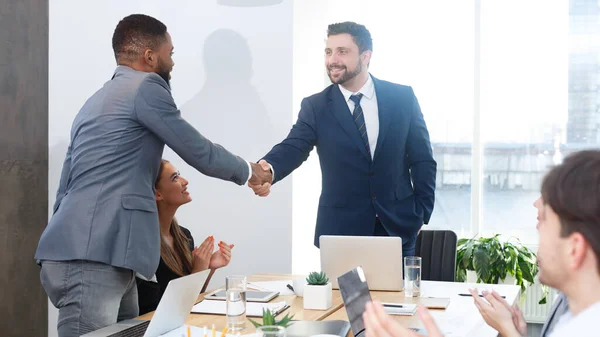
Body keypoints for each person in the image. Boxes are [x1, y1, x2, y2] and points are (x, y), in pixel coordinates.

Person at [35, 14, 271, 337]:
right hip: (92, 260)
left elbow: (65, 189)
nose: (172, 62)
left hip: (109, 257)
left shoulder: (94, 103)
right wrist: (249, 171)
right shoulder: (146, 88)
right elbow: (197, 149)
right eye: (170, 53)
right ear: (149, 56)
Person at [362, 150, 600, 337]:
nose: (536, 214)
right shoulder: (573, 309)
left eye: (544, 223)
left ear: (575, 249)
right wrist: (513, 333)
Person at [249, 22, 436, 257]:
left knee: (395, 295)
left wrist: (421, 213)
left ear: (366, 56)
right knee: (343, 296)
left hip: (397, 227)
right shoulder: (315, 106)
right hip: (341, 231)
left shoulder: (402, 98)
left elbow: (423, 160)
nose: (332, 60)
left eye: (342, 51)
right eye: (328, 52)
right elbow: (294, 146)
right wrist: (267, 169)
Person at [136, 160, 234, 315]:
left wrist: (208, 268)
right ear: (157, 193)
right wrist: (199, 270)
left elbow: (192, 298)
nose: (185, 181)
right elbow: (155, 313)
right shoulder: (143, 244)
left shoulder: (184, 236)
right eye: (175, 178)